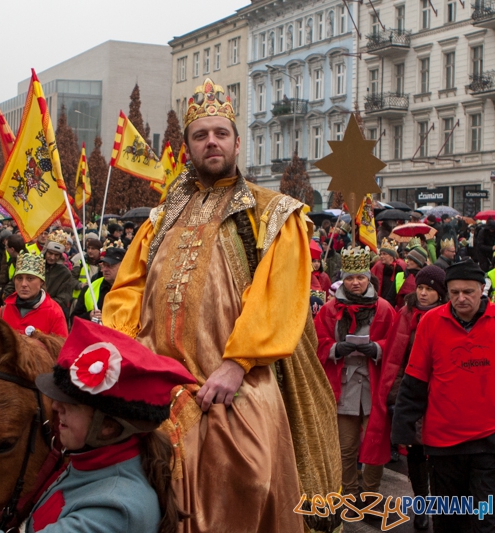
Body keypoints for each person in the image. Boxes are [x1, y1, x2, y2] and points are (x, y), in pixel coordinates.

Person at [102, 78, 340, 532]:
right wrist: (121, 350)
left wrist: (235, 364)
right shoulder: (160, 219)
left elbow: (278, 297)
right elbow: (128, 289)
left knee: (249, 476)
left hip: (236, 380)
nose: (211, 141)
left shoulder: (274, 214)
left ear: (235, 142)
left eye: (221, 133)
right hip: (156, 386)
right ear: (188, 146)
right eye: (200, 135)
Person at [0, 318, 197, 533]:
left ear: (108, 429)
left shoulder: (117, 507)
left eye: (71, 405)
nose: (56, 407)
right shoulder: (82, 463)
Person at [392, 260, 495, 533]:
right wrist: (402, 428)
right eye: (454, 292)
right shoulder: (431, 322)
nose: (461, 298)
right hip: (443, 444)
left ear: (482, 289)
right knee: (449, 522)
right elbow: (415, 380)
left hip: (488, 442)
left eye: (468, 292)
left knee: (485, 521)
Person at [315, 247, 398, 506]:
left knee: (375, 444)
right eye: (350, 277)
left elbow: (395, 345)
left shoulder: (384, 309)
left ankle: (371, 494)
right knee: (346, 447)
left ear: (368, 278)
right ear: (343, 279)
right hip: (343, 386)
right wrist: (334, 348)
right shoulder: (329, 309)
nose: (355, 282)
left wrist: (377, 348)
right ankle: (349, 494)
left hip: (374, 386)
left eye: (360, 277)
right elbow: (315, 341)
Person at [384, 265, 447, 530]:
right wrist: (396, 394)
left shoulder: (447, 316)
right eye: (420, 287)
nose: (422, 293)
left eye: (429, 289)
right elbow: (395, 357)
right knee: (415, 452)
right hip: (413, 393)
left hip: (441, 396)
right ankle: (421, 505)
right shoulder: (405, 314)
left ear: (440, 293)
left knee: (441, 455)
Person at [0, 250, 68, 337]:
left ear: (41, 282)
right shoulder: (1, 313)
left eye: (30, 279)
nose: (23, 284)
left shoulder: (54, 313)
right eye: (19, 278)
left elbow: (61, 348)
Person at [72, 245, 125, 322]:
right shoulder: (90, 288)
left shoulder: (131, 290)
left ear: (123, 266)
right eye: (104, 265)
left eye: (110, 266)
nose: (105, 269)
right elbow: (73, 319)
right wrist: (89, 315)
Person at [42, 230, 77, 315]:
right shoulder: (35, 265)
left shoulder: (65, 273)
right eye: (50, 253)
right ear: (45, 252)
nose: (52, 257)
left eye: (56, 255)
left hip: (51, 313)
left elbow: (64, 299)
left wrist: (42, 305)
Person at [70, 237, 101, 303]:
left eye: (93, 249)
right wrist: (80, 285)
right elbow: (71, 279)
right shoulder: (80, 263)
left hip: (95, 300)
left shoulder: (102, 265)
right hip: (79, 300)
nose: (90, 251)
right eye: (88, 248)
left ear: (99, 250)